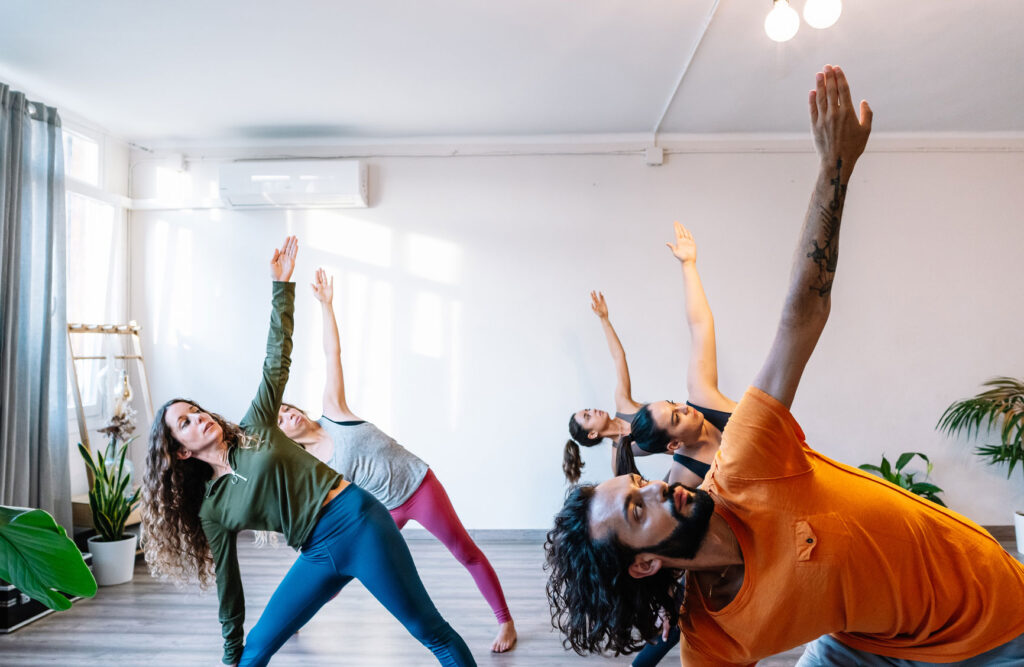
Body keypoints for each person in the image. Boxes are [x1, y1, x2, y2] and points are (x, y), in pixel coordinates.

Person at [545, 65, 1024, 666]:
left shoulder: (743, 462)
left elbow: (800, 315)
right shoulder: (711, 636)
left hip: (990, 614)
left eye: (642, 486)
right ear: (644, 563)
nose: (663, 489)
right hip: (867, 640)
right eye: (640, 508)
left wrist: (834, 167)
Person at [141, 237, 476, 667]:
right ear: (181, 452)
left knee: (431, 633)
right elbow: (230, 588)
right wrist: (229, 655)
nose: (198, 418)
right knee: (253, 651)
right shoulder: (213, 509)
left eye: (196, 410)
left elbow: (275, 360)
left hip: (358, 522)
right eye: (184, 423)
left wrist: (282, 287)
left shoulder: (254, 427)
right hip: (315, 551)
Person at [277, 268, 516, 653]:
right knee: (335, 572)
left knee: (464, 550)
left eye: (288, 408)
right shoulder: (310, 465)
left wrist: (326, 305)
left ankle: (505, 622)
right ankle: (291, 621)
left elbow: (331, 354)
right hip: (382, 510)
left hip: (419, 486)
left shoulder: (333, 410)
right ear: (283, 435)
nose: (290, 414)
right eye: (282, 418)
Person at [567, 225, 736, 490]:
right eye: (588, 417)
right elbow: (640, 492)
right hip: (695, 456)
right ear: (592, 434)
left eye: (587, 409)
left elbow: (617, 357)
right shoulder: (622, 455)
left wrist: (604, 320)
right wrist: (672, 483)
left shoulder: (625, 403)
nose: (593, 410)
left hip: (701, 442)